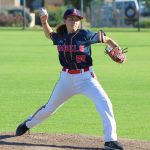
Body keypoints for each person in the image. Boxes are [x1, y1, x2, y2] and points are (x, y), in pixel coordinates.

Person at [16, 8, 124, 150]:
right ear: (65, 20)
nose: (74, 21)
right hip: (66, 79)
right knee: (49, 109)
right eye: (71, 19)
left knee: (105, 103)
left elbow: (106, 39)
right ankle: (28, 124)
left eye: (77, 19)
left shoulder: (85, 34)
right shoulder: (60, 36)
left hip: (86, 78)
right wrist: (44, 22)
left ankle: (110, 140)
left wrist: (117, 48)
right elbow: (49, 35)